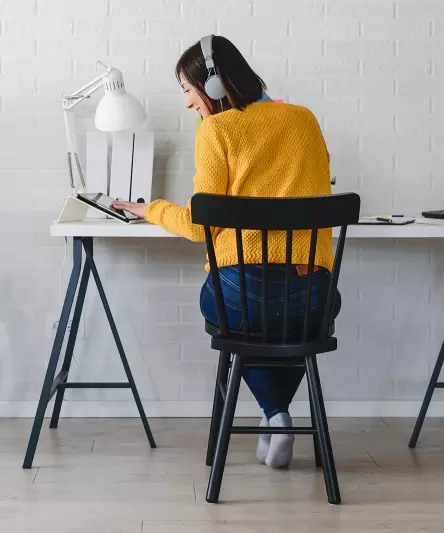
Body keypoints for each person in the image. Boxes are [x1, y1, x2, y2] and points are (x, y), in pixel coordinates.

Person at [112, 35, 340, 469]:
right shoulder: (304, 119)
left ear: (212, 85)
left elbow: (201, 228)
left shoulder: (217, 130)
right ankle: (278, 418)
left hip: (243, 292)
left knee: (231, 310)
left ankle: (276, 415)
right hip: (313, 296)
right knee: (291, 326)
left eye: (186, 89)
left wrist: (151, 209)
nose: (185, 103)